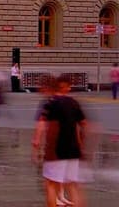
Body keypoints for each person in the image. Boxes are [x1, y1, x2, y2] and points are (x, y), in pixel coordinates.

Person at [34, 74, 88, 207]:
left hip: (56, 151)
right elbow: (84, 125)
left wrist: (36, 144)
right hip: (73, 150)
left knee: (50, 184)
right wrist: (80, 144)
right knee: (73, 185)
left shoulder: (50, 103)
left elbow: (41, 125)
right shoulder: (74, 102)